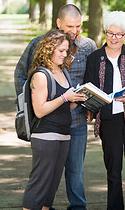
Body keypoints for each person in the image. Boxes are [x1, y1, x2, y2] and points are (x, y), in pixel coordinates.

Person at [14, 4, 96, 210]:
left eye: (79, 26)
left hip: (75, 120)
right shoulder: (39, 45)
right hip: (47, 123)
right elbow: (21, 75)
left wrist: (91, 106)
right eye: (70, 26)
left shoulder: (88, 46)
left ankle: (78, 207)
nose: (75, 31)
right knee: (44, 175)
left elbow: (92, 80)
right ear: (58, 23)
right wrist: (31, 108)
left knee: (73, 171)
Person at [84, 11, 125, 210]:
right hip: (109, 120)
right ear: (105, 33)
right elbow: (89, 87)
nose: (114, 38)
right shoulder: (95, 58)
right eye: (110, 33)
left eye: (119, 34)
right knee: (113, 172)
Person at [22, 29, 87, 210]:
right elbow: (40, 110)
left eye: (66, 50)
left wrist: (80, 99)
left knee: (51, 188)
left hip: (64, 135)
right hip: (45, 137)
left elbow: (66, 105)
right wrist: (65, 98)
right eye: (60, 51)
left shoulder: (63, 71)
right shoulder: (41, 75)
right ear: (49, 49)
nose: (64, 54)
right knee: (39, 185)